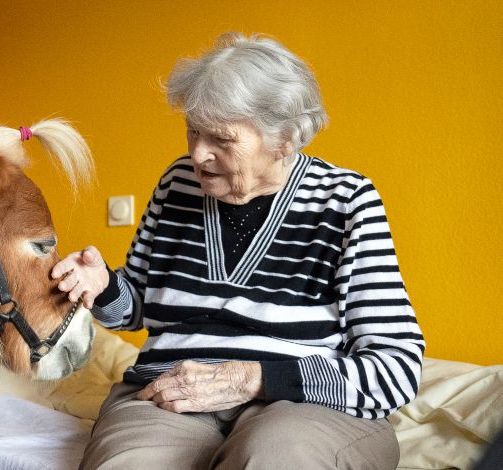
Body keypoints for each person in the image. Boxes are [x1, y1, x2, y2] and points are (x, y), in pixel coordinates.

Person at [53, 33, 425, 469]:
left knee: (273, 459)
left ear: (284, 140)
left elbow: (396, 366)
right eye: (193, 130)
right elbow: (138, 310)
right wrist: (103, 287)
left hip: (302, 406)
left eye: (222, 140)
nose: (198, 154)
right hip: (172, 391)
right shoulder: (177, 183)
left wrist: (254, 378)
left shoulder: (345, 200)